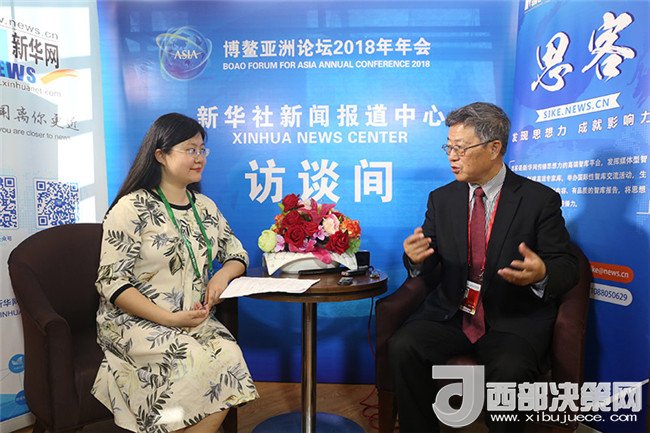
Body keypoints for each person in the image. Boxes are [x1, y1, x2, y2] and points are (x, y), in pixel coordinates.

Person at [389, 102, 578, 433]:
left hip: (511, 320)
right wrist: (417, 260)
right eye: (449, 147)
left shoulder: (539, 200)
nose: (452, 156)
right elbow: (431, 261)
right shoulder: (441, 199)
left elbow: (567, 265)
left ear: (494, 148)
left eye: (461, 148)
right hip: (452, 315)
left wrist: (542, 274)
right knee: (404, 345)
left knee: (510, 369)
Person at [91, 113, 258, 433]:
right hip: (137, 322)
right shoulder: (131, 208)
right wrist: (169, 319)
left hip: (192, 318)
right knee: (192, 360)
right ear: (160, 155)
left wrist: (221, 276)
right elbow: (112, 281)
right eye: (190, 149)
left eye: (202, 149)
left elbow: (237, 254)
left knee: (230, 356)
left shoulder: (205, 207)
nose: (199, 157)